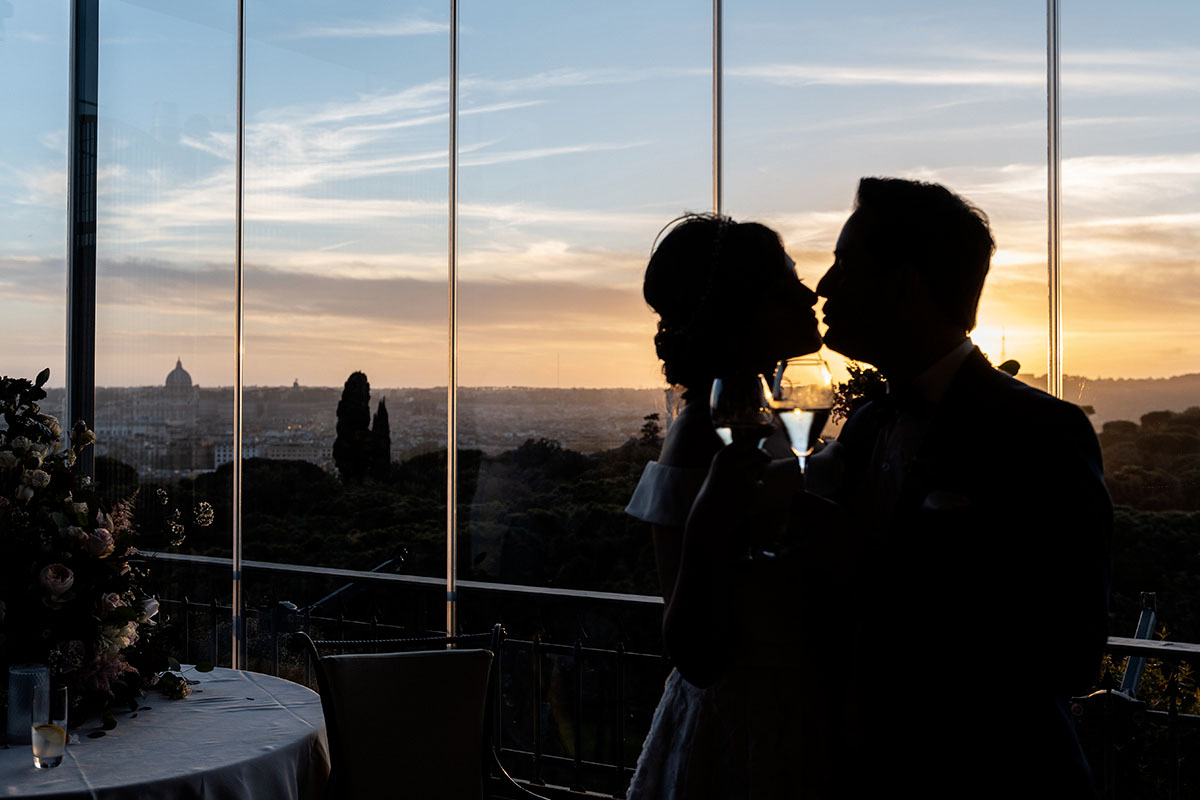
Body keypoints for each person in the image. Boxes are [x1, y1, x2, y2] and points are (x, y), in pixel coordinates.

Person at [815, 177, 1112, 798]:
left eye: (844, 264)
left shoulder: (1041, 431)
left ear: (904, 284)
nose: (824, 286)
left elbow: (1072, 649)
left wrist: (876, 570)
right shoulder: (867, 425)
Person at [624, 213, 825, 799]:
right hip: (743, 736)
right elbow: (694, 642)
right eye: (788, 283)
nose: (809, 293)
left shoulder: (755, 422)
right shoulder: (701, 437)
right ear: (747, 307)